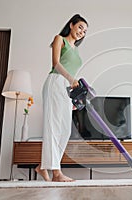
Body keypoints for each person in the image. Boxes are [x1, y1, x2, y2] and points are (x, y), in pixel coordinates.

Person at [35, 14, 88, 182]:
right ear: (71, 25)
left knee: (65, 130)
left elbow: (72, 73)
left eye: (85, 31)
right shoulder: (60, 39)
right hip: (55, 82)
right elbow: (56, 64)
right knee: (53, 127)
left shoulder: (76, 50)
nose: (82, 32)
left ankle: (42, 167)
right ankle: (56, 173)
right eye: (80, 27)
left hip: (65, 88)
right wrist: (71, 79)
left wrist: (72, 97)